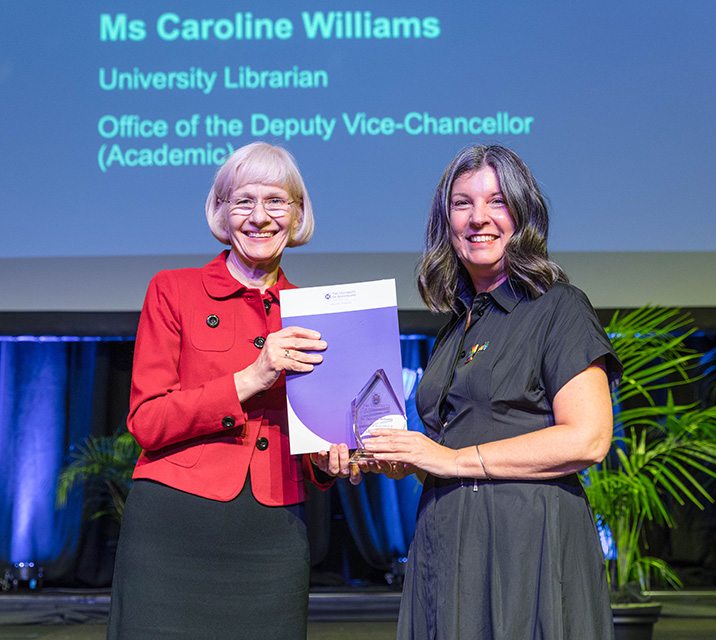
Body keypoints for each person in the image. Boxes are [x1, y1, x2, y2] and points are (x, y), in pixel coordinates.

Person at [363, 145, 622, 639]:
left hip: (527, 544)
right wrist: (403, 458)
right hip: (445, 540)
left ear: (523, 214)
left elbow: (587, 439)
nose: (479, 218)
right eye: (462, 204)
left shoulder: (559, 307)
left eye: (497, 201)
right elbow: (452, 448)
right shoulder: (455, 326)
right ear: (446, 222)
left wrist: (449, 461)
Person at [106, 142, 354, 640]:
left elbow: (311, 436)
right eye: (243, 201)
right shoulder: (173, 290)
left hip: (273, 530)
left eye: (276, 202)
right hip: (174, 524)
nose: (260, 217)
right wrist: (250, 378)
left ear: (298, 214)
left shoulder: (315, 312)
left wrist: (326, 463)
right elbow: (147, 421)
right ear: (220, 211)